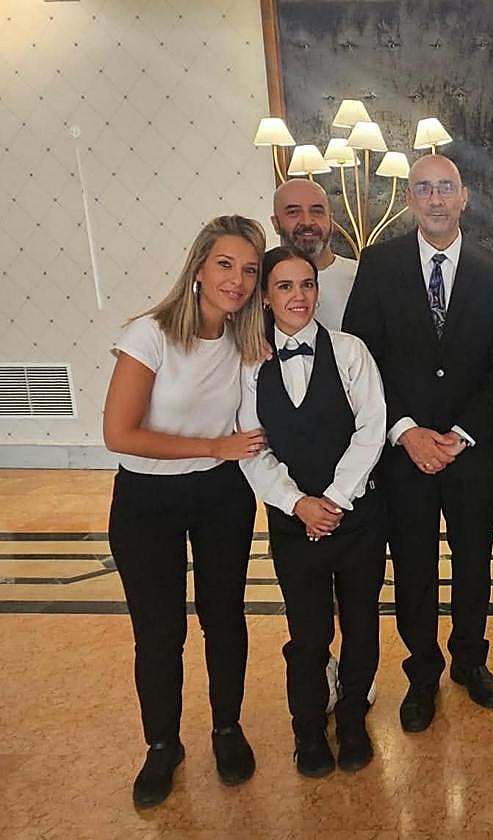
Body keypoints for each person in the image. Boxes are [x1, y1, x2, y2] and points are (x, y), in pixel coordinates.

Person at [344, 154, 493, 733]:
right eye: (424, 189)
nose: (436, 199)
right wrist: (405, 430)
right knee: (413, 566)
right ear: (410, 200)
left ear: (464, 197)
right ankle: (422, 673)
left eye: (446, 187)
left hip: (473, 451)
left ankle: (470, 660)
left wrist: (461, 434)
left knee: (474, 562)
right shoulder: (379, 265)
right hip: (404, 454)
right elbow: (361, 360)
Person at [102, 215, 268, 808]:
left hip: (221, 495)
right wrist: (213, 446)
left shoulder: (247, 341)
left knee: (224, 618)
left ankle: (227, 728)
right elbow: (119, 434)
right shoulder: (149, 334)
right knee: (159, 631)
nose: (237, 281)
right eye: (225, 265)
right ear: (198, 267)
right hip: (147, 500)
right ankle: (162, 746)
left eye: (249, 270)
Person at [238, 246, 387, 777]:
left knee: (361, 622)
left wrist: (336, 500)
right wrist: (299, 503)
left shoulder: (349, 352)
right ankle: (307, 728)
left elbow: (372, 428)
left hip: (357, 519)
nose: (298, 296)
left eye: (307, 284)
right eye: (284, 286)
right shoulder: (250, 365)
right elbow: (252, 448)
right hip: (293, 523)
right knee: (307, 632)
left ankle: (352, 717)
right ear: (265, 297)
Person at [272, 178, 359, 331]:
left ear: (331, 219)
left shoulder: (361, 277)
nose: (307, 222)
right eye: (293, 212)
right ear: (276, 224)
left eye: (317, 212)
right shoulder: (261, 281)